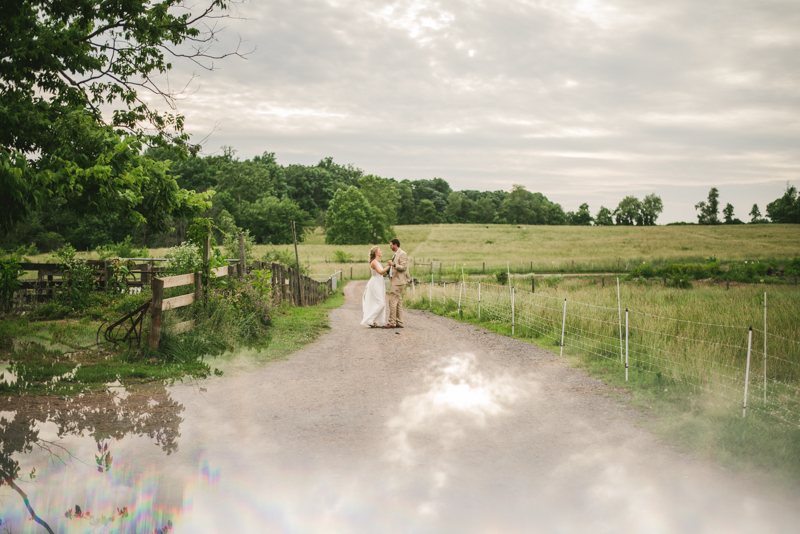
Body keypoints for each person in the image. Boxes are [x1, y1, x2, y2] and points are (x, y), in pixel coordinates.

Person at [361, 245, 389, 328]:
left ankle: (374, 321)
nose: (381, 251)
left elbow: (383, 273)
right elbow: (380, 272)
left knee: (378, 302)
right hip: (375, 282)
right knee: (381, 303)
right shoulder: (373, 262)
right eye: (379, 250)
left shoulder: (378, 262)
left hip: (379, 282)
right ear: (376, 253)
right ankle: (369, 320)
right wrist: (389, 266)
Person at [384, 238, 409, 328]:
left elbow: (403, 267)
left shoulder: (402, 254)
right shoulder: (395, 255)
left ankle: (392, 322)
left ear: (395, 245)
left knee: (392, 301)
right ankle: (399, 322)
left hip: (398, 281)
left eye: (391, 245)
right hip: (395, 280)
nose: (390, 247)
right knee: (398, 302)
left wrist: (393, 264)